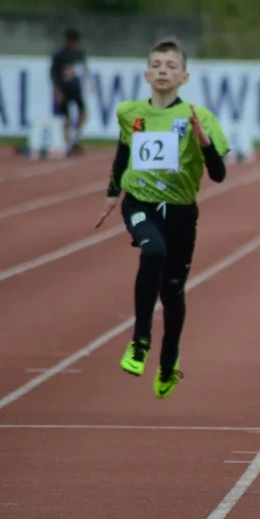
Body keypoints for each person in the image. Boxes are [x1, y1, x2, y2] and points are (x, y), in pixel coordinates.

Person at [95, 37, 231, 399]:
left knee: (172, 291)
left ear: (184, 77)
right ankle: (140, 340)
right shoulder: (129, 112)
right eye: (156, 65)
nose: (162, 72)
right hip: (139, 202)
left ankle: (168, 360)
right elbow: (122, 154)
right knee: (151, 251)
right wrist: (113, 193)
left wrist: (203, 142)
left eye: (170, 67)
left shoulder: (199, 118)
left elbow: (218, 175)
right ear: (145, 73)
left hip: (182, 213)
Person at [49, 28, 89, 156]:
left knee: (83, 114)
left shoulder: (79, 53)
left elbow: (83, 69)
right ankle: (66, 144)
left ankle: (74, 139)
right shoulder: (59, 55)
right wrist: (58, 91)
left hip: (75, 88)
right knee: (66, 119)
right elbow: (53, 74)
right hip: (64, 89)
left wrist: (87, 82)